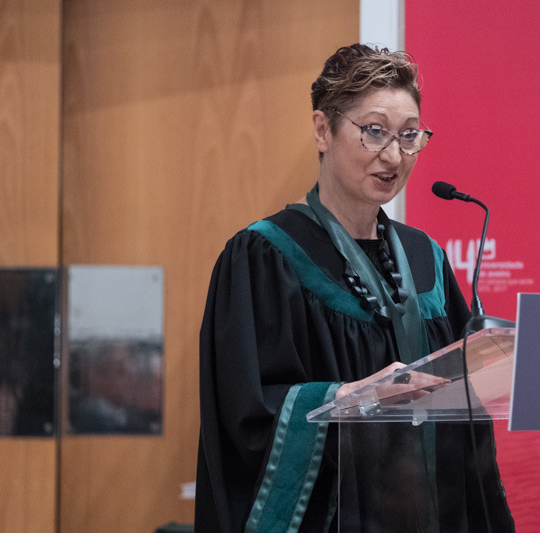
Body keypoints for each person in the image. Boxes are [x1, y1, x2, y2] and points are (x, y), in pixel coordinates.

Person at [195, 44, 515, 532]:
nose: (394, 155)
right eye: (374, 131)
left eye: (409, 135)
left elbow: (465, 411)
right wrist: (350, 397)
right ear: (323, 130)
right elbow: (247, 413)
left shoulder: (425, 258)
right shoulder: (266, 256)